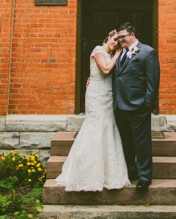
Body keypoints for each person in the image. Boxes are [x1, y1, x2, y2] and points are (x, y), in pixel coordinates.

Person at [55, 30, 130, 192]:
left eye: (118, 41)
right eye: (114, 39)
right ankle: (85, 171)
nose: (116, 43)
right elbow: (104, 70)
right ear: (108, 37)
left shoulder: (109, 55)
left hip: (107, 95)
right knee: (95, 127)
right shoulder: (98, 51)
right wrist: (117, 56)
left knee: (107, 128)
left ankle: (108, 173)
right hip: (96, 96)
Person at [113, 22, 160, 191]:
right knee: (126, 143)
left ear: (132, 35)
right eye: (118, 38)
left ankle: (145, 177)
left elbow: (152, 80)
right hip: (120, 107)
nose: (120, 41)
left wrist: (148, 103)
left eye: (123, 37)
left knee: (142, 144)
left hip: (138, 106)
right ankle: (131, 172)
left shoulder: (147, 52)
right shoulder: (118, 53)